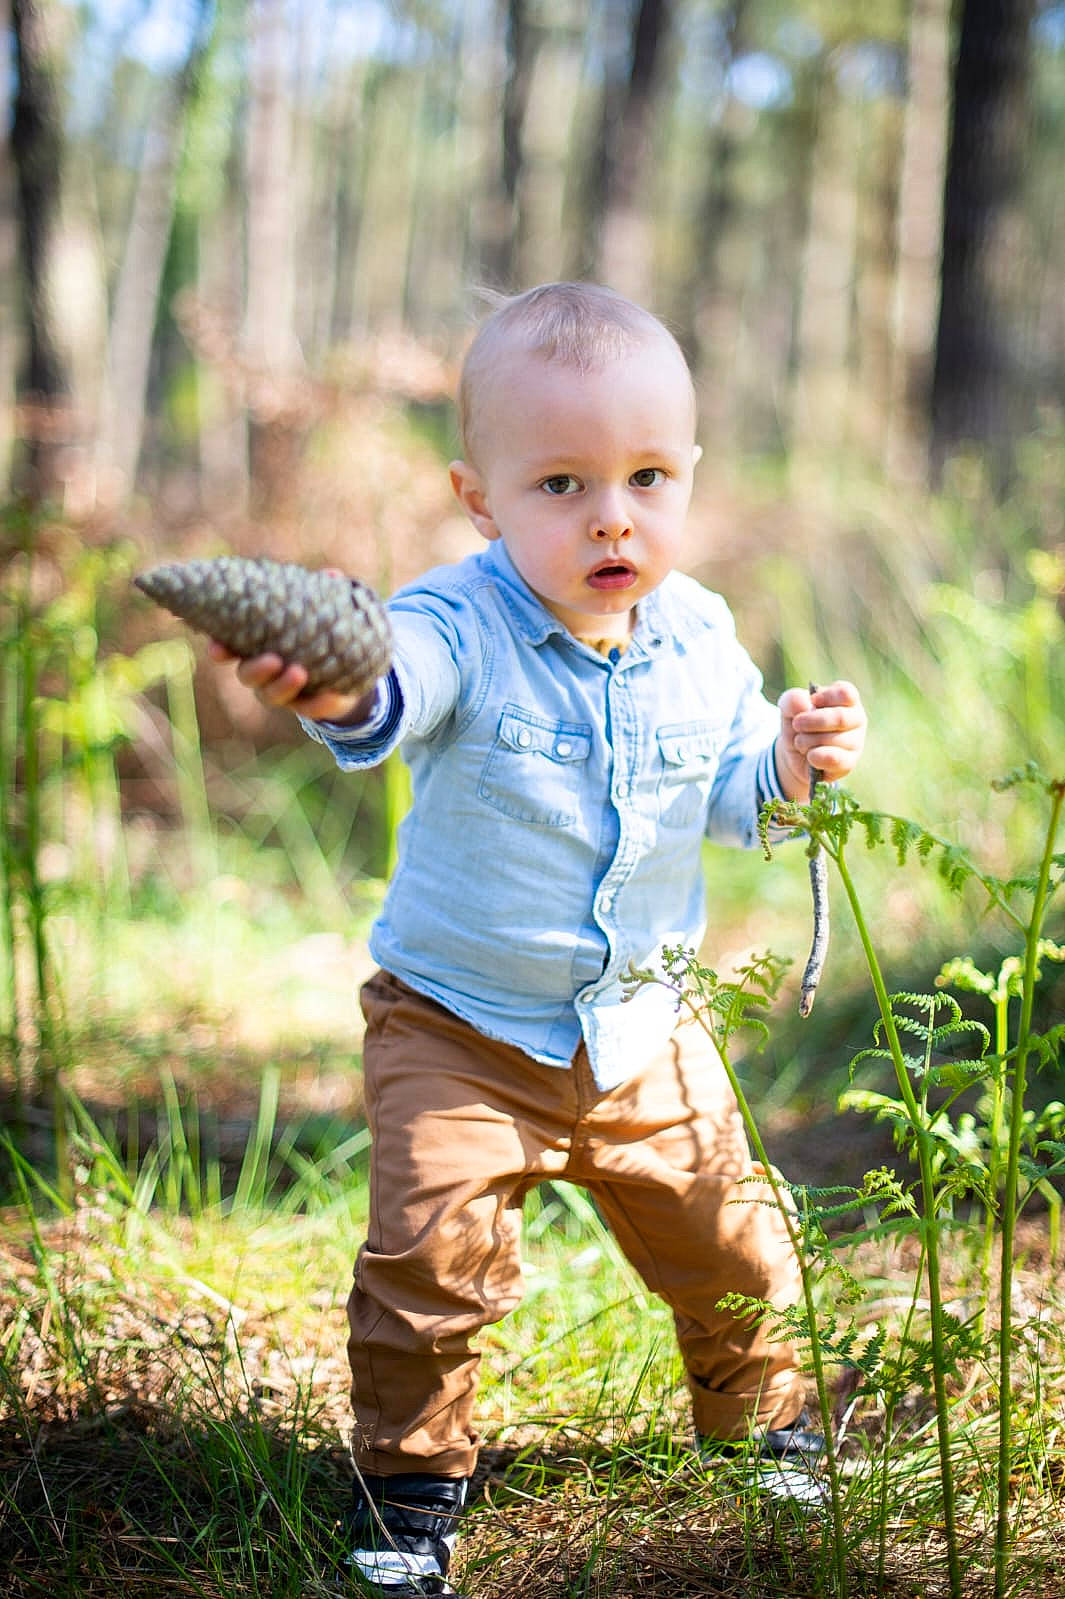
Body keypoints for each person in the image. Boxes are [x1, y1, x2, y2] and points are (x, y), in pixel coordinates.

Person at [209, 282, 867, 1597]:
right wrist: (344, 679)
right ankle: (410, 1487)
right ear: (480, 499)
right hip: (460, 1024)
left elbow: (739, 791)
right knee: (428, 1257)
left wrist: (792, 759)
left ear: (688, 478)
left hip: (645, 1025)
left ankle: (762, 1424)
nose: (611, 515)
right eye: (560, 483)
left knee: (735, 1240)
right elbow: (396, 687)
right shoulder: (456, 621)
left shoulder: (702, 636)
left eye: (644, 477)